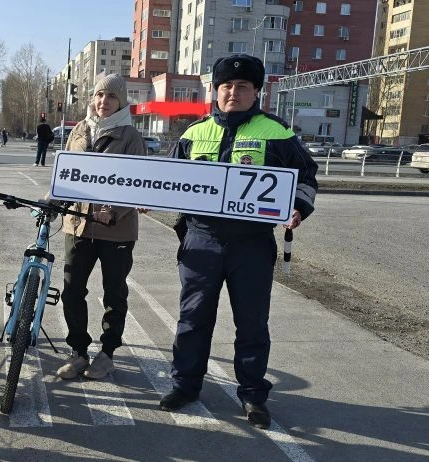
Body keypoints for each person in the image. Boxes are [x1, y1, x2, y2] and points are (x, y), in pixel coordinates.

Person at [158, 54, 318, 430]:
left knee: (252, 323)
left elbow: (306, 177)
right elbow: (167, 179)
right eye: (226, 86)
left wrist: (298, 208)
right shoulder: (193, 133)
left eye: (242, 86)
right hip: (201, 241)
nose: (233, 92)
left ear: (256, 91)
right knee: (193, 319)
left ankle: (252, 395)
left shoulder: (277, 133)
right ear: (216, 90)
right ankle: (185, 386)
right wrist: (150, 199)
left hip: (252, 243)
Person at [54, 74, 147, 380]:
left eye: (111, 96)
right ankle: (78, 352)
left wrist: (113, 210)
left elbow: (138, 182)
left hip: (116, 230)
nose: (103, 101)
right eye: (99, 95)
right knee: (72, 291)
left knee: (114, 295)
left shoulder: (130, 137)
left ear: (121, 101)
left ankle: (107, 354)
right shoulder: (79, 130)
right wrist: (54, 198)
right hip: (78, 225)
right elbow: (67, 173)